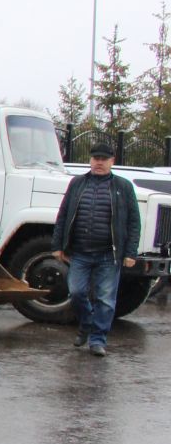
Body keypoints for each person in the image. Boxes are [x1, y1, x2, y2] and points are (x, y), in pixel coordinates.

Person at [51, 138, 140, 357]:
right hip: (80, 252)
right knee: (76, 291)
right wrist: (58, 245)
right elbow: (63, 214)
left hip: (109, 255)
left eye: (104, 159)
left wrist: (130, 252)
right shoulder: (77, 183)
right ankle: (88, 322)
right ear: (90, 160)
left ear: (112, 161)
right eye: (95, 158)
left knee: (106, 299)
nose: (99, 162)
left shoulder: (123, 187)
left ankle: (97, 340)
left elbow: (133, 222)